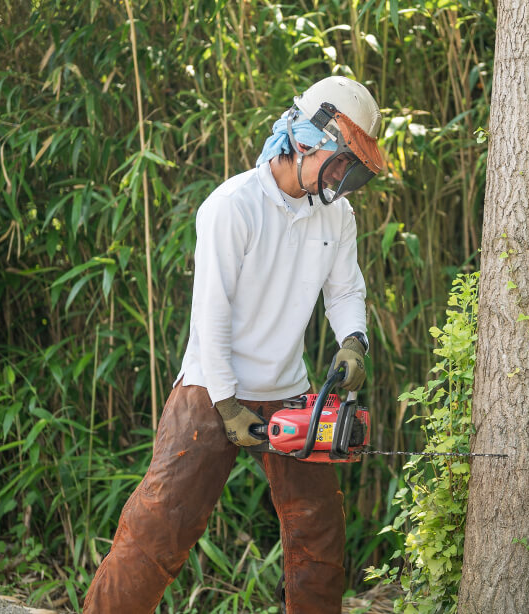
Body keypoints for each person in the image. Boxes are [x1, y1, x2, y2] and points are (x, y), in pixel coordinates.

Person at [82, 75, 384, 614]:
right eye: (340, 163)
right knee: (158, 531)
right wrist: (225, 402)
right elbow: (211, 314)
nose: (344, 178)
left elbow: (345, 289)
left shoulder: (337, 215)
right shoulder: (232, 206)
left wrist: (353, 342)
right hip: (209, 388)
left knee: (318, 538)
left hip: (290, 390)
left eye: (351, 170)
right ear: (305, 139)